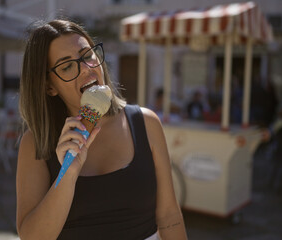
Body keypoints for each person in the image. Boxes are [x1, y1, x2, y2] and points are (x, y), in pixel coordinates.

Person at [16, 19, 187, 240]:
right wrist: (67, 174)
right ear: (49, 86)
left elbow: (169, 215)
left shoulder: (146, 124)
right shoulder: (36, 142)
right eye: (67, 66)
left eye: (87, 55)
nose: (86, 69)